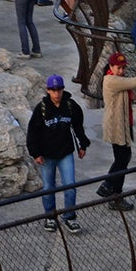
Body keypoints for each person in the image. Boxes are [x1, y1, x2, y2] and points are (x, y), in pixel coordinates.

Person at [26, 75, 90, 233]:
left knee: (70, 187)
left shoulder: (70, 106)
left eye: (59, 89)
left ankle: (69, 217)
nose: (56, 93)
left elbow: (78, 126)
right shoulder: (41, 109)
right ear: (48, 90)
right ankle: (50, 216)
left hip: (65, 153)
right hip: (47, 155)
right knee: (48, 188)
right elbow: (32, 132)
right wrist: (35, 153)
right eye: (53, 90)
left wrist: (82, 145)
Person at [96, 52, 136, 210]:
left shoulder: (116, 79)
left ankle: (114, 192)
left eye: (123, 68)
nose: (121, 71)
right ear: (111, 67)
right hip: (116, 126)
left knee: (123, 157)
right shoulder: (111, 80)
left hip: (123, 124)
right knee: (122, 158)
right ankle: (109, 187)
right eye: (119, 68)